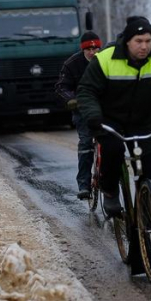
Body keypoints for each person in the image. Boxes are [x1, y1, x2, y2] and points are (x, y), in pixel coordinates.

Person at [76, 16, 151, 258]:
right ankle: (110, 192)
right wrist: (93, 116)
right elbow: (87, 91)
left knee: (150, 176)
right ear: (127, 41)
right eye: (139, 41)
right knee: (112, 150)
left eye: (148, 40)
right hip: (110, 120)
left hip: (142, 121)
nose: (144, 46)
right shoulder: (105, 59)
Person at [55, 31, 103, 199]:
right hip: (83, 110)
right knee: (86, 144)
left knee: (113, 141)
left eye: (95, 48)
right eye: (88, 49)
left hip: (105, 108)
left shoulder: (107, 60)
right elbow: (61, 86)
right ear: (83, 49)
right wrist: (72, 100)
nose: (92, 52)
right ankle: (84, 184)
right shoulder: (72, 64)